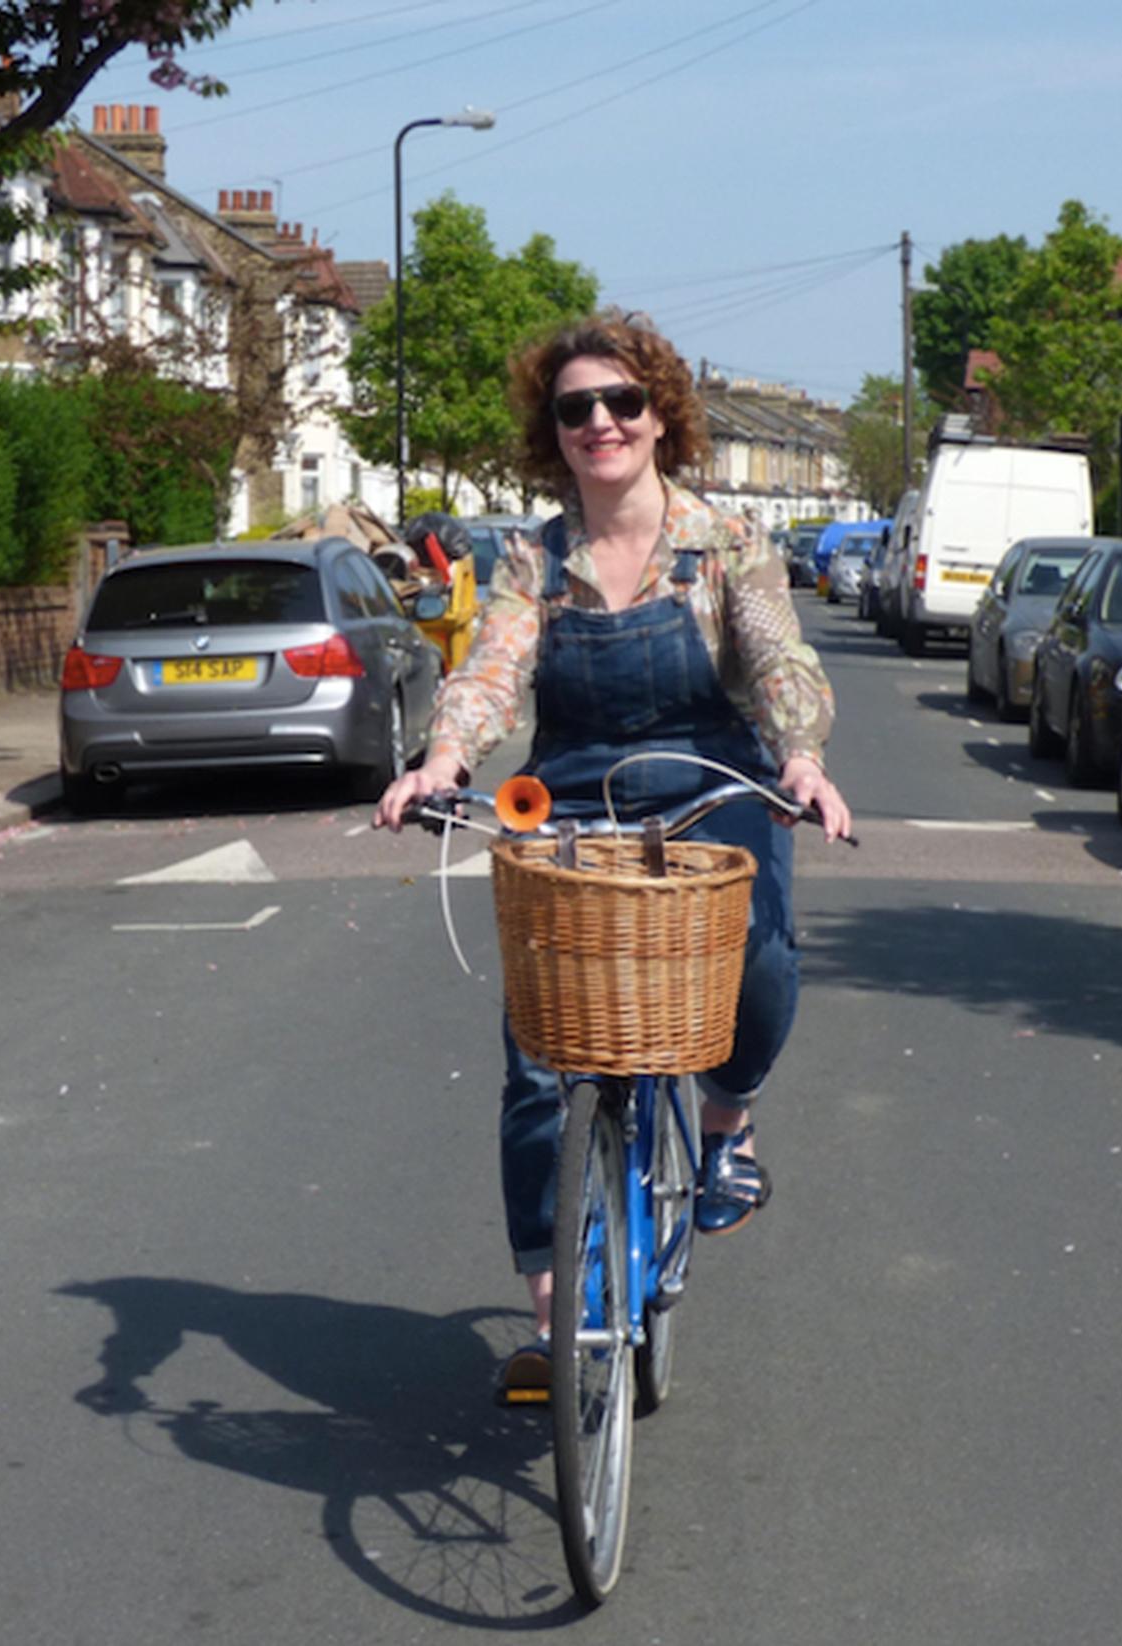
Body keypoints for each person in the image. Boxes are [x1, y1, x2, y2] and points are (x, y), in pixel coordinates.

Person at [376, 310, 853, 1403]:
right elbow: (493, 665)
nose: (600, 422)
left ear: (659, 416)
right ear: (554, 431)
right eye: (575, 407)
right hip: (578, 786)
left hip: (713, 778)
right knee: (542, 1055)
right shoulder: (532, 559)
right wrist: (443, 756)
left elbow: (779, 655)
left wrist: (800, 758)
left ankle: (725, 1127)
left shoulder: (724, 541)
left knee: (761, 964)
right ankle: (554, 1317)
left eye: (621, 402)